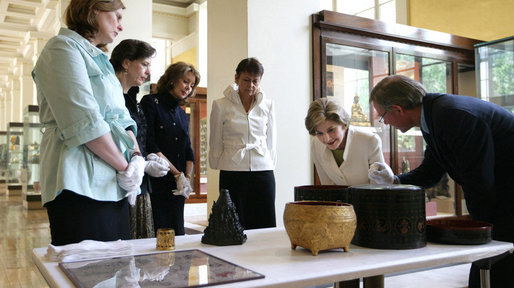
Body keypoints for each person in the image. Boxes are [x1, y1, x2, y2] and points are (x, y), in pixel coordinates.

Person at [368, 74, 514, 288]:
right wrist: (395, 180)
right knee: (489, 268)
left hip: (507, 191)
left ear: (397, 109)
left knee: (497, 265)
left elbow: (479, 180)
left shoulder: (451, 115)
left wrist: (479, 228)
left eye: (383, 117)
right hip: (502, 190)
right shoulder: (434, 115)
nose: (386, 123)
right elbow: (432, 171)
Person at [32, 0, 147, 245]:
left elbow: (123, 118)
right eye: (116, 17)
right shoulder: (61, 49)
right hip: (78, 182)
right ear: (94, 10)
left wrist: (136, 156)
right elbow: (84, 122)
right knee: (86, 274)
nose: (120, 26)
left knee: (118, 269)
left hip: (114, 184)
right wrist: (126, 167)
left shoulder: (102, 63)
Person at [110, 39, 170, 239]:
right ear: (126, 63)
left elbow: (140, 140)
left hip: (140, 184)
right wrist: (141, 163)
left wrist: (148, 158)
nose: (148, 71)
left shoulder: (133, 100)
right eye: (144, 64)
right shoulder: (112, 96)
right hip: (119, 183)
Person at [209, 57, 277, 230]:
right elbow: (215, 139)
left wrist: (270, 162)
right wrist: (216, 163)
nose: (251, 85)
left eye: (255, 81)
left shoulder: (268, 105)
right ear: (236, 78)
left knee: (264, 221)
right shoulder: (220, 105)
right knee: (232, 221)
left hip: (263, 169)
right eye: (246, 80)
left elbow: (271, 139)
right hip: (232, 169)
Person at [140, 62, 200, 236]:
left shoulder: (181, 112)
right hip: (158, 180)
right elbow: (150, 143)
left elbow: (188, 149)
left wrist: (186, 178)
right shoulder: (151, 102)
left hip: (178, 185)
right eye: (185, 81)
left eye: (192, 85)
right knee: (160, 231)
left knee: (178, 231)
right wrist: (177, 174)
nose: (188, 87)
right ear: (172, 79)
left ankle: (179, 264)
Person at [305, 98, 385, 185]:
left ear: (344, 124)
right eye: (319, 133)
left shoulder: (370, 141)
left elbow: (378, 188)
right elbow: (327, 187)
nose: (326, 139)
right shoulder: (316, 144)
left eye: (331, 130)